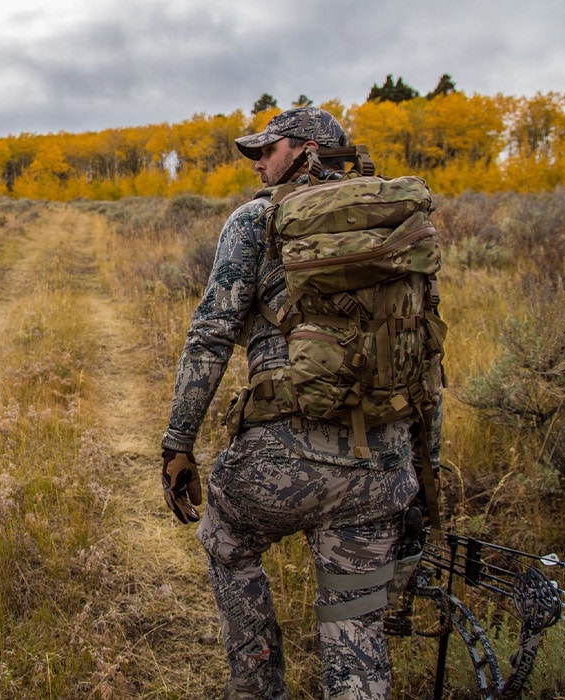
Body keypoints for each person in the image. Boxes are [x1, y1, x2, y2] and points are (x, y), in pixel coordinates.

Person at [160, 107, 426, 700]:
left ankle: (256, 686)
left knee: (225, 544)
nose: (256, 161)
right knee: (355, 624)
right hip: (380, 468)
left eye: (267, 149)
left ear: (307, 150)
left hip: (281, 463)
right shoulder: (394, 221)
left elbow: (210, 335)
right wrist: (417, 472)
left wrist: (177, 444)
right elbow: (422, 353)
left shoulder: (256, 220)